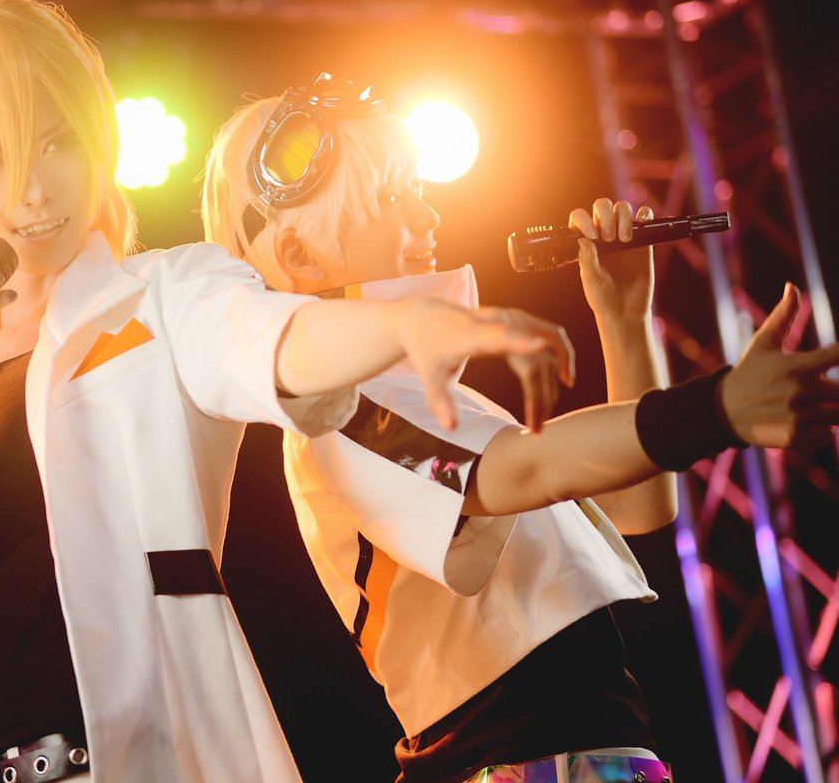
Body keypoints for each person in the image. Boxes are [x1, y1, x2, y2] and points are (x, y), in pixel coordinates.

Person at [0, 0, 579, 783]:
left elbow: (275, 339)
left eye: (56, 142)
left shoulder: (167, 291)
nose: (33, 189)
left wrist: (402, 325)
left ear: (97, 138)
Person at [201, 73, 839, 782]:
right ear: (300, 257)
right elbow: (526, 468)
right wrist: (717, 407)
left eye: (418, 188)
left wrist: (624, 320)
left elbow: (638, 504)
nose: (427, 215)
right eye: (391, 198)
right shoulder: (337, 409)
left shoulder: (419, 395)